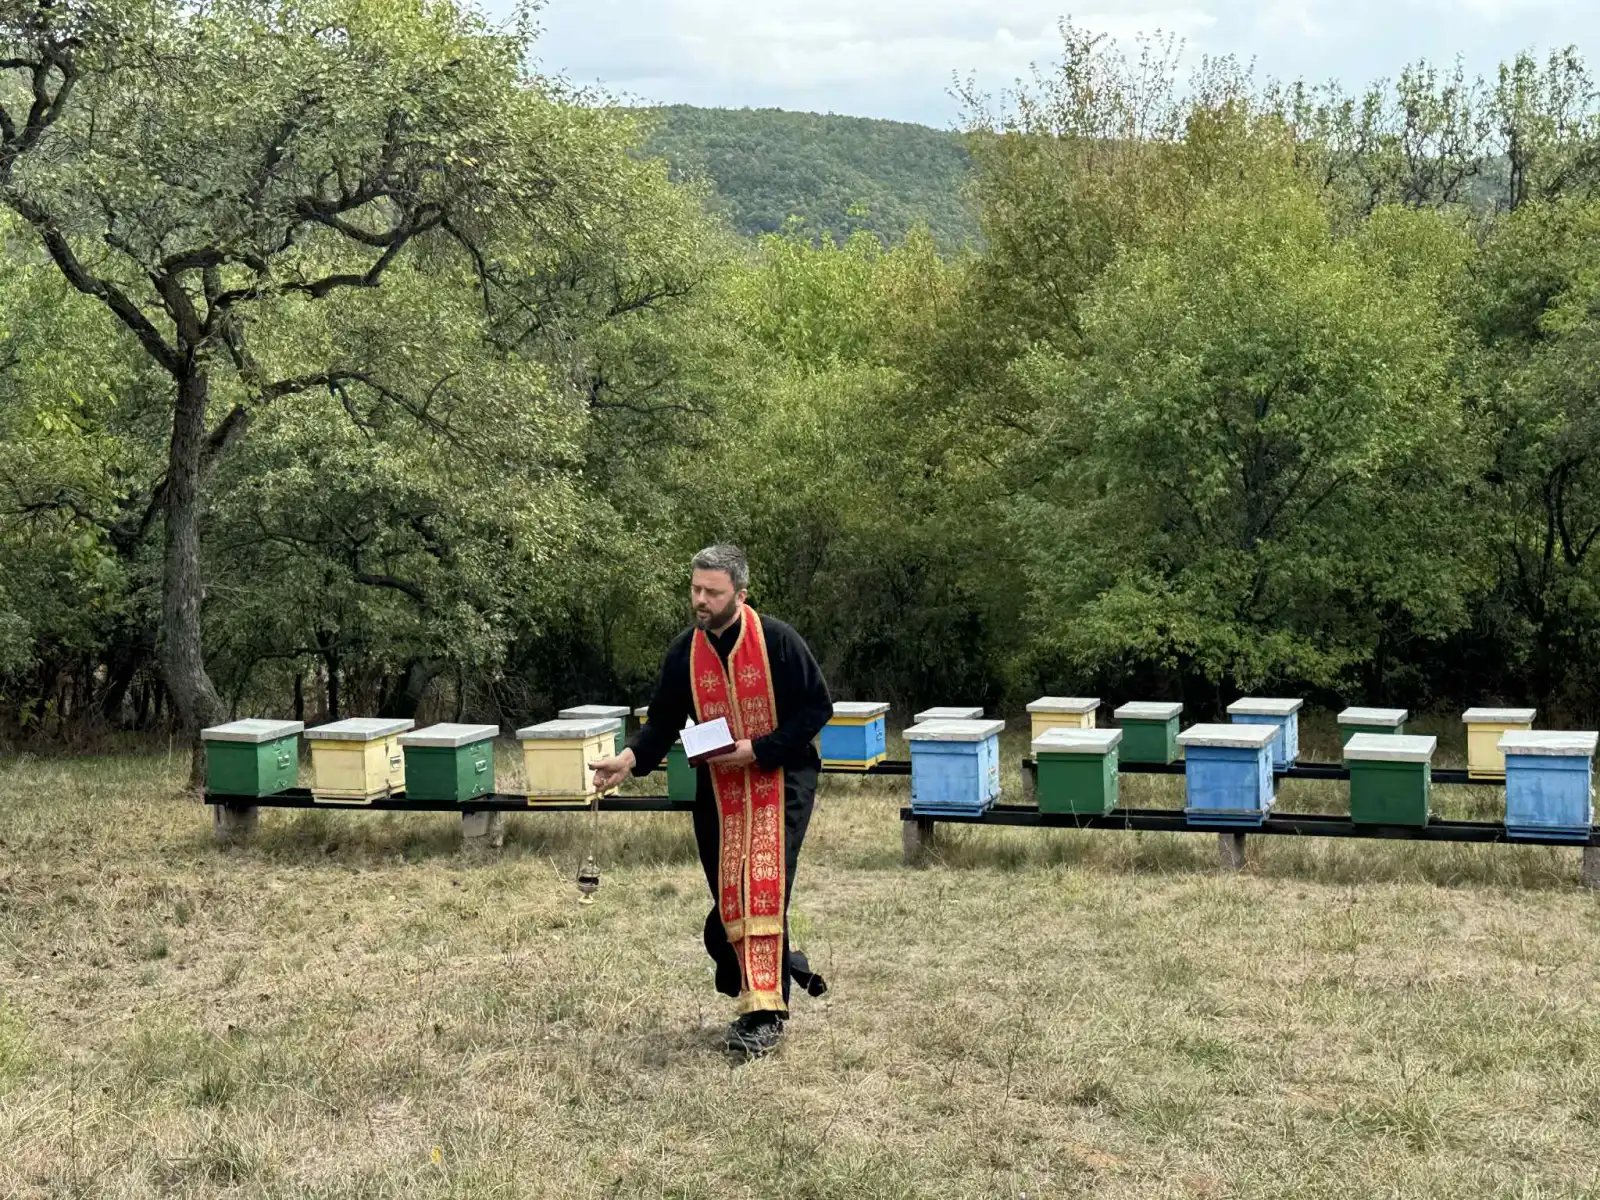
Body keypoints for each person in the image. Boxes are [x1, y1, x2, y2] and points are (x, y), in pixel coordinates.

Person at [590, 544, 833, 1057]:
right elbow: (662, 721)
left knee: (760, 884)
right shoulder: (685, 651)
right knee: (729, 894)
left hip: (780, 780)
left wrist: (760, 749)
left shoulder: (779, 642)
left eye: (711, 592)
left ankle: (763, 1015)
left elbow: (818, 707)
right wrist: (628, 761)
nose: (699, 600)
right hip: (718, 789)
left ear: (740, 595)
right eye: (695, 589)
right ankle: (777, 967)